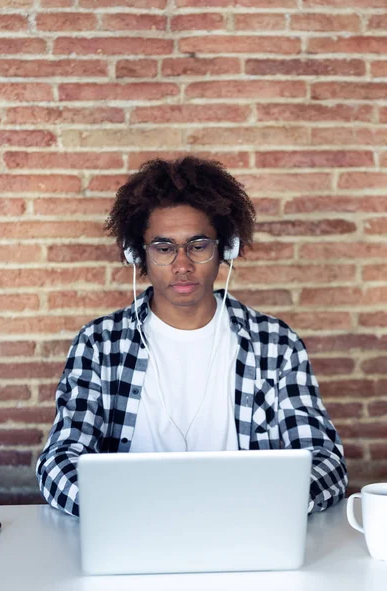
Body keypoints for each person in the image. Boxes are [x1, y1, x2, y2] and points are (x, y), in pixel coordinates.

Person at [36, 155, 348, 517]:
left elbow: (326, 461)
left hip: (247, 528)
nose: (182, 265)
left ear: (224, 250)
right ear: (139, 255)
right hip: (132, 528)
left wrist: (274, 506)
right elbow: (58, 459)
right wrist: (118, 511)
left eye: (198, 245)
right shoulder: (100, 343)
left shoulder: (275, 344)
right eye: (164, 248)